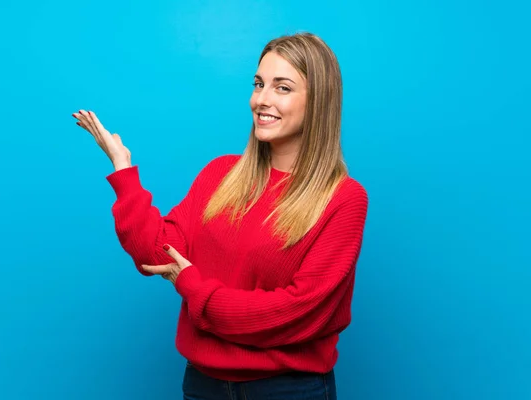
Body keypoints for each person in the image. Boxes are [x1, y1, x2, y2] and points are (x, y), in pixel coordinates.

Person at [73, 32, 368, 400]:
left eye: (282, 88)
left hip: (288, 391)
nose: (261, 99)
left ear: (319, 102)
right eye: (259, 84)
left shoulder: (343, 199)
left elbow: (295, 312)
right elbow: (157, 255)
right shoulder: (221, 174)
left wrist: (195, 289)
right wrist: (123, 171)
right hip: (203, 386)